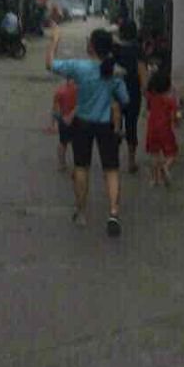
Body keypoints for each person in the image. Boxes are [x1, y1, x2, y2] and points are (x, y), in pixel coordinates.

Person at [46, 23, 130, 236]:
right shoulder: (115, 72)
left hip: (83, 123)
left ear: (92, 47)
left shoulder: (79, 67)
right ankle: (113, 213)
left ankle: (81, 211)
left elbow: (50, 64)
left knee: (81, 167)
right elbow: (125, 99)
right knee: (111, 170)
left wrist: (55, 40)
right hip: (106, 125)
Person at [113, 19, 147, 174]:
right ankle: (131, 162)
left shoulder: (115, 49)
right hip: (133, 93)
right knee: (131, 126)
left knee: (115, 125)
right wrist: (146, 92)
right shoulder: (138, 50)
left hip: (116, 93)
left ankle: (113, 159)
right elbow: (142, 72)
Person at [145, 61, 180, 187]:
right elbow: (176, 113)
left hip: (151, 128)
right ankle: (165, 167)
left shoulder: (150, 97)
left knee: (154, 154)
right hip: (165, 129)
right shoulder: (170, 100)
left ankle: (155, 179)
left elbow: (148, 106)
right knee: (172, 154)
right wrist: (176, 122)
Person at [49, 76, 77, 171]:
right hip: (74, 119)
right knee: (70, 143)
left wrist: (53, 124)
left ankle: (62, 163)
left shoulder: (60, 91)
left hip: (65, 119)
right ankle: (74, 164)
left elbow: (55, 109)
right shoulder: (79, 90)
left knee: (63, 143)